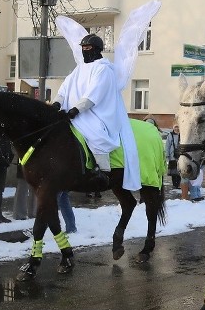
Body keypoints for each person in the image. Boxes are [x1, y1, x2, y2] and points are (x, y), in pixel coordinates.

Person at [53, 33, 140, 192]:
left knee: (96, 136)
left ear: (97, 49)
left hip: (96, 114)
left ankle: (104, 172)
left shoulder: (104, 69)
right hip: (72, 113)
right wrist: (56, 103)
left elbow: (93, 94)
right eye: (83, 48)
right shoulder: (79, 69)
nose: (85, 50)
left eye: (88, 47)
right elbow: (65, 89)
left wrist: (75, 110)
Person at [164, 123, 181, 189]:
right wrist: (167, 154)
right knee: (173, 171)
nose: (177, 128)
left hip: (180, 155)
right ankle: (174, 184)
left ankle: (179, 184)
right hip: (172, 155)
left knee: (180, 170)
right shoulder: (170, 135)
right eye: (175, 127)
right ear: (173, 128)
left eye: (178, 127)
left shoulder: (182, 135)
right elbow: (167, 145)